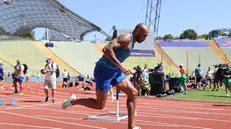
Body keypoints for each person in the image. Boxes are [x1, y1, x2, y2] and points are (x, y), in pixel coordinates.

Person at [62, 23, 149, 129]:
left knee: (133, 93)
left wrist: (120, 67)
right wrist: (121, 67)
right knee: (99, 105)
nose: (145, 38)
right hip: (103, 71)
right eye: (144, 35)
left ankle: (131, 127)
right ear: (138, 31)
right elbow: (106, 49)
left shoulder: (133, 42)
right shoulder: (126, 38)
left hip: (114, 71)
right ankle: (72, 101)